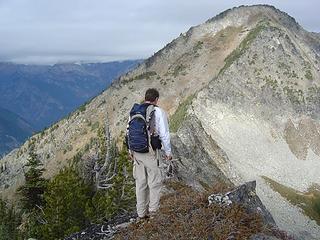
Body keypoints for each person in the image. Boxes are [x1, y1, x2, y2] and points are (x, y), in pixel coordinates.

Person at [128, 88, 172, 220]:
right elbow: (164, 134)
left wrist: (130, 151)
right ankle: (153, 213)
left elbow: (128, 130)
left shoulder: (135, 111)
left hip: (136, 151)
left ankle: (141, 213)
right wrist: (168, 152)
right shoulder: (158, 112)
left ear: (145, 97)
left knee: (140, 182)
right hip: (151, 152)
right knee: (154, 182)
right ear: (156, 99)